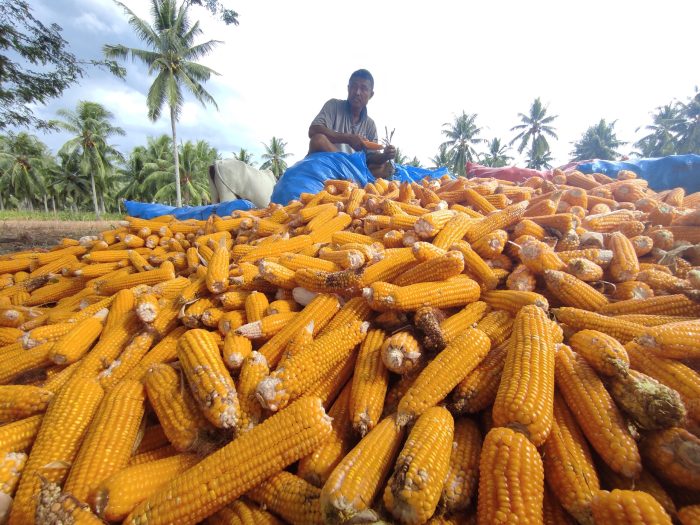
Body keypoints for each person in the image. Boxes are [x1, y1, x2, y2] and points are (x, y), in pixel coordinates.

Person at [308, 69, 396, 178]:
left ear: (371, 94)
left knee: (385, 167)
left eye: (363, 88)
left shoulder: (370, 125)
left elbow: (371, 158)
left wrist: (385, 156)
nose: (357, 92)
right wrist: (348, 138)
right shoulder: (333, 105)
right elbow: (313, 130)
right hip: (330, 163)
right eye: (354, 86)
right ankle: (353, 176)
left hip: (356, 167)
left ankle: (351, 176)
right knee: (318, 140)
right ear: (348, 88)